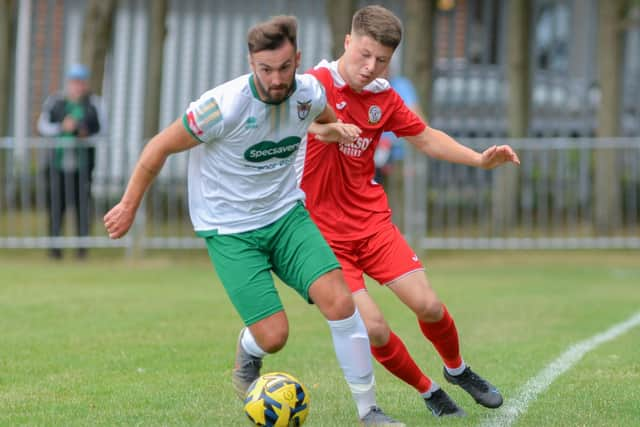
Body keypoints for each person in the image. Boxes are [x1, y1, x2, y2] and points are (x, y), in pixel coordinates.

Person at [103, 16, 404, 426]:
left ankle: (369, 410)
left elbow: (322, 119)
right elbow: (158, 147)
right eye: (265, 70)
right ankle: (249, 349)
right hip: (230, 231)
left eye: (284, 68)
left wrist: (332, 130)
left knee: (341, 302)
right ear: (251, 64)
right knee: (274, 337)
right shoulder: (220, 107)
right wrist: (128, 205)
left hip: (286, 216)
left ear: (297, 59)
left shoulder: (309, 91)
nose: (276, 79)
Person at [298, 5, 520, 418]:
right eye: (363, 54)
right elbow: (282, 121)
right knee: (375, 328)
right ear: (347, 42)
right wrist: (321, 129)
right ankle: (428, 389)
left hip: (372, 224)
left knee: (429, 306)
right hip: (323, 237)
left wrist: (478, 160)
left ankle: (457, 369)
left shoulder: (383, 95)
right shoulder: (312, 85)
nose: (369, 66)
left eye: (380, 59)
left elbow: (426, 137)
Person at [37, 63, 103, 260]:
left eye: (81, 82)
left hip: (83, 167)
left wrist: (85, 133)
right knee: (56, 207)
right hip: (57, 167)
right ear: (69, 83)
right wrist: (61, 127)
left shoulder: (94, 104)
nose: (78, 87)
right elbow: (42, 126)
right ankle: (54, 250)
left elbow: (102, 130)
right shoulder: (55, 102)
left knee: (83, 209)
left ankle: (82, 250)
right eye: (75, 82)